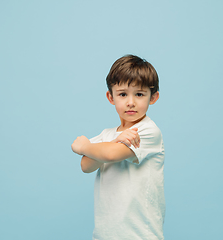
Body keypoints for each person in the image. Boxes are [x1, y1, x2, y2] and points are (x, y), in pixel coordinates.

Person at [71, 54, 165, 240]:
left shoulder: (147, 131)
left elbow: (111, 154)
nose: (130, 102)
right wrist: (113, 141)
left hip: (140, 234)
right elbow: (86, 166)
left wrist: (83, 146)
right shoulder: (107, 135)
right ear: (110, 97)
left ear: (153, 97)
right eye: (122, 94)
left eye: (139, 94)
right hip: (106, 234)